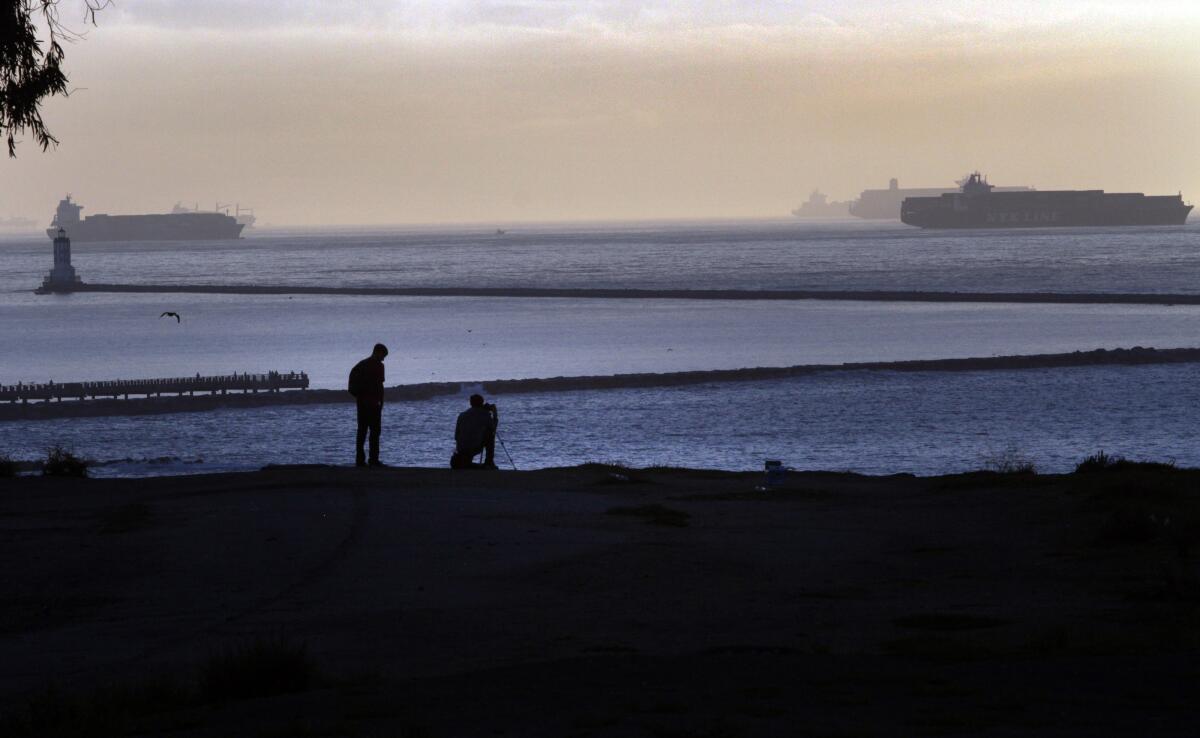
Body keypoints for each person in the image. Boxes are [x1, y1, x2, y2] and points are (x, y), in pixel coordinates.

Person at [348, 343, 388, 467]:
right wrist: (380, 401)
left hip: (364, 403)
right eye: (383, 355)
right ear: (377, 352)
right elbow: (379, 386)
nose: (383, 358)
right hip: (372, 403)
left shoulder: (361, 365)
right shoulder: (378, 366)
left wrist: (359, 396)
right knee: (373, 432)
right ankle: (373, 459)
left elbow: (352, 386)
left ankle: (361, 460)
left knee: (363, 431)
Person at [452, 394, 498, 469]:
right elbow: (493, 429)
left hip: (461, 448)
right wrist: (495, 414)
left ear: (470, 403)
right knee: (490, 434)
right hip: (474, 448)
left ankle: (467, 462)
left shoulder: (462, 415)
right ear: (482, 403)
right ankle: (489, 462)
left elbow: (456, 436)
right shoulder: (485, 415)